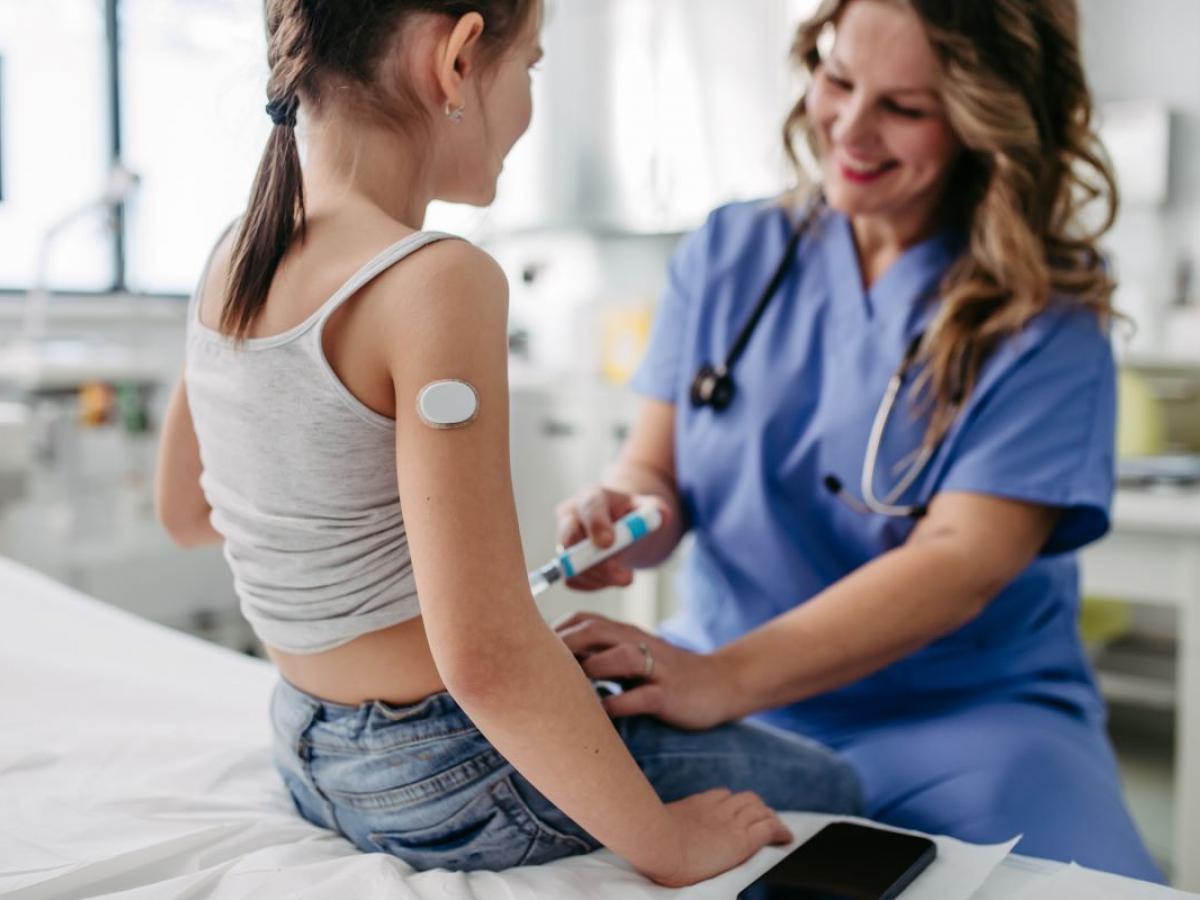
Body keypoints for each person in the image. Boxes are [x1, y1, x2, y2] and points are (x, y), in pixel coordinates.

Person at [153, 0, 860, 884]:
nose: (526, 102)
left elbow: (187, 512)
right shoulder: (435, 280)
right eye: (528, 66)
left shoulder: (235, 253)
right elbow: (484, 657)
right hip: (443, 770)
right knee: (834, 782)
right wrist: (670, 846)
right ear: (457, 60)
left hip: (307, 744)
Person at [553, 0, 1163, 883]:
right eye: (837, 78)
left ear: (987, 121)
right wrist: (634, 509)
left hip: (965, 722)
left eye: (905, 108)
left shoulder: (1047, 312)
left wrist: (721, 676)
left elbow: (962, 560)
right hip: (731, 709)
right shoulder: (730, 251)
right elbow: (657, 465)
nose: (849, 126)